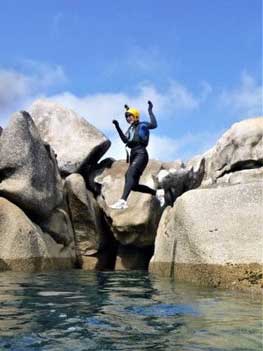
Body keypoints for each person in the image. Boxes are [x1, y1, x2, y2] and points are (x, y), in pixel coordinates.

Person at [110, 101, 165, 209]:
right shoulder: (130, 129)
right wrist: (117, 126)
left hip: (141, 153)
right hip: (133, 154)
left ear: (135, 116)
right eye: (127, 117)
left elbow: (154, 124)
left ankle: (123, 201)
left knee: (129, 173)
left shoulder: (142, 125)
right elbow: (125, 140)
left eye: (130, 116)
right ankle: (157, 193)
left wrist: (150, 110)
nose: (128, 119)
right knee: (133, 185)